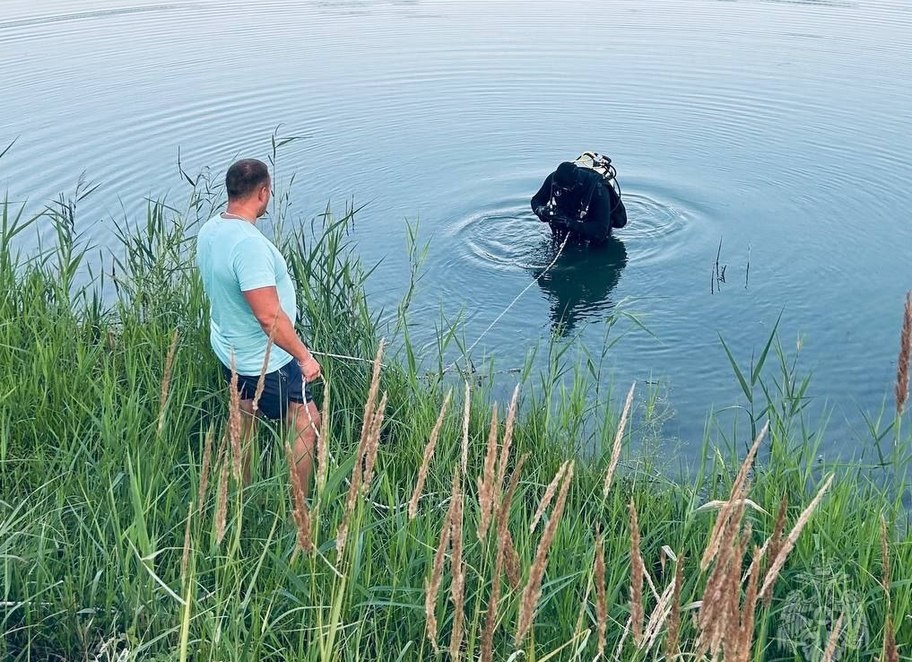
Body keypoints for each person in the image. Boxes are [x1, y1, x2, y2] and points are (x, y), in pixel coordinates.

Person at [196, 158, 322, 496]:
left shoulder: (211, 229)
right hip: (265, 359)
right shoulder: (249, 246)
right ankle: (300, 506)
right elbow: (268, 318)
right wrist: (304, 357)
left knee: (244, 414)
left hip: (229, 349)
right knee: (305, 423)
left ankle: (242, 491)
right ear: (263, 193)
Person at [531, 153, 627, 243]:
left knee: (598, 243)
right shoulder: (554, 180)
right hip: (569, 218)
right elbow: (536, 200)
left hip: (594, 223)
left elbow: (600, 231)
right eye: (560, 188)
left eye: (566, 189)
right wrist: (541, 210)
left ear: (576, 184)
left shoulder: (598, 190)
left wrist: (570, 224)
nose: (563, 191)